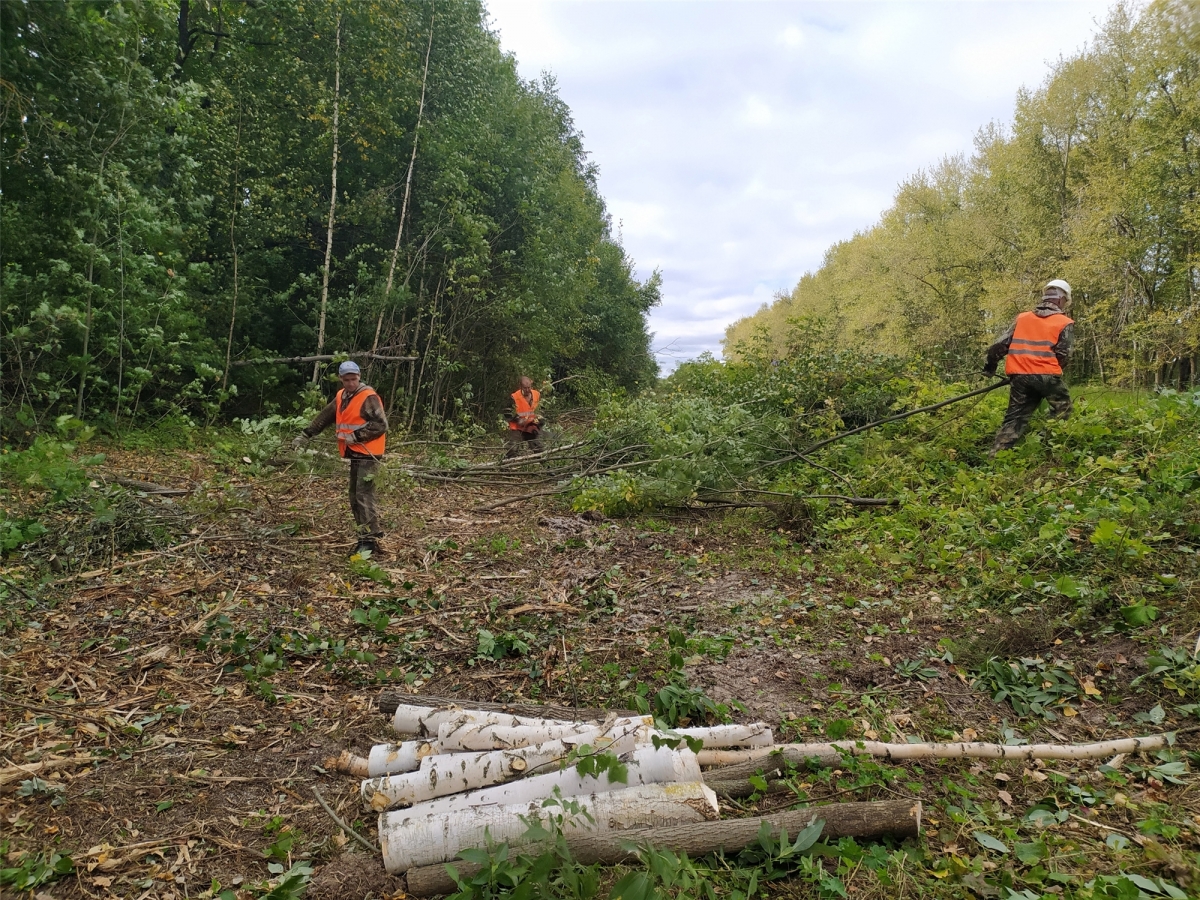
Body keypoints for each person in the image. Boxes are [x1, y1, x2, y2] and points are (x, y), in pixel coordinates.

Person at [292, 361, 389, 556]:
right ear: (341, 379)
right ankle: (363, 535)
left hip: (369, 453)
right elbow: (325, 416)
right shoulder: (342, 396)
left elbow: (381, 425)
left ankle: (369, 541)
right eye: (347, 380)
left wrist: (356, 436)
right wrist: (306, 434)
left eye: (354, 379)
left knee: (363, 494)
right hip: (354, 453)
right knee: (354, 495)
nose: (351, 383)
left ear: (359, 376)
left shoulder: (368, 396)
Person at [984, 279, 1075, 454]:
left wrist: (990, 366)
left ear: (1045, 297)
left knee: (1014, 419)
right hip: (1046, 376)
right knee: (1063, 408)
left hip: (1019, 377)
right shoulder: (1064, 322)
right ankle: (1046, 445)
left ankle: (995, 457)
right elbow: (1065, 354)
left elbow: (999, 346)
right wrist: (1051, 372)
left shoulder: (1022, 318)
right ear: (1062, 299)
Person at [505, 376, 542, 458]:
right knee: (513, 448)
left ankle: (548, 469)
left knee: (538, 447)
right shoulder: (514, 397)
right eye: (525, 388)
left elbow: (540, 411)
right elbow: (508, 413)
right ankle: (504, 467)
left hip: (530, 427)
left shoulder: (537, 394)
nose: (527, 390)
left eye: (529, 387)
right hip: (517, 428)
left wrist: (539, 420)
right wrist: (519, 420)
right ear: (520, 387)